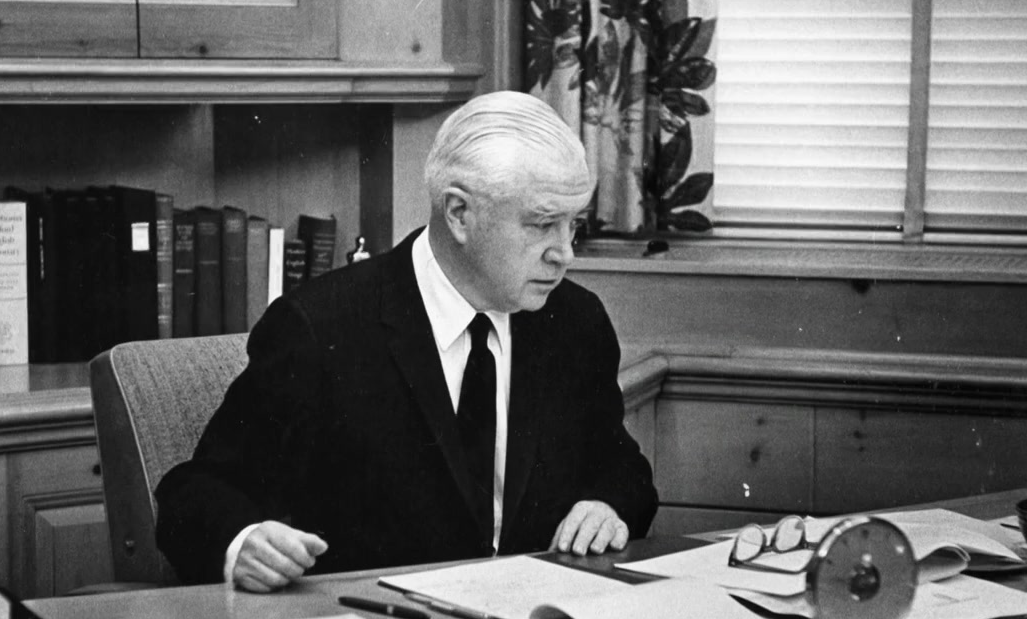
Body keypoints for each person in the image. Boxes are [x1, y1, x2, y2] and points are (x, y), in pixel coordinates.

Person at [155, 90, 658, 592]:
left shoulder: (574, 321)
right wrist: (241, 542)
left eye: (574, 226)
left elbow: (622, 469)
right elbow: (194, 493)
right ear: (459, 214)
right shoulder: (320, 328)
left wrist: (608, 505)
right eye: (544, 225)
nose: (565, 253)